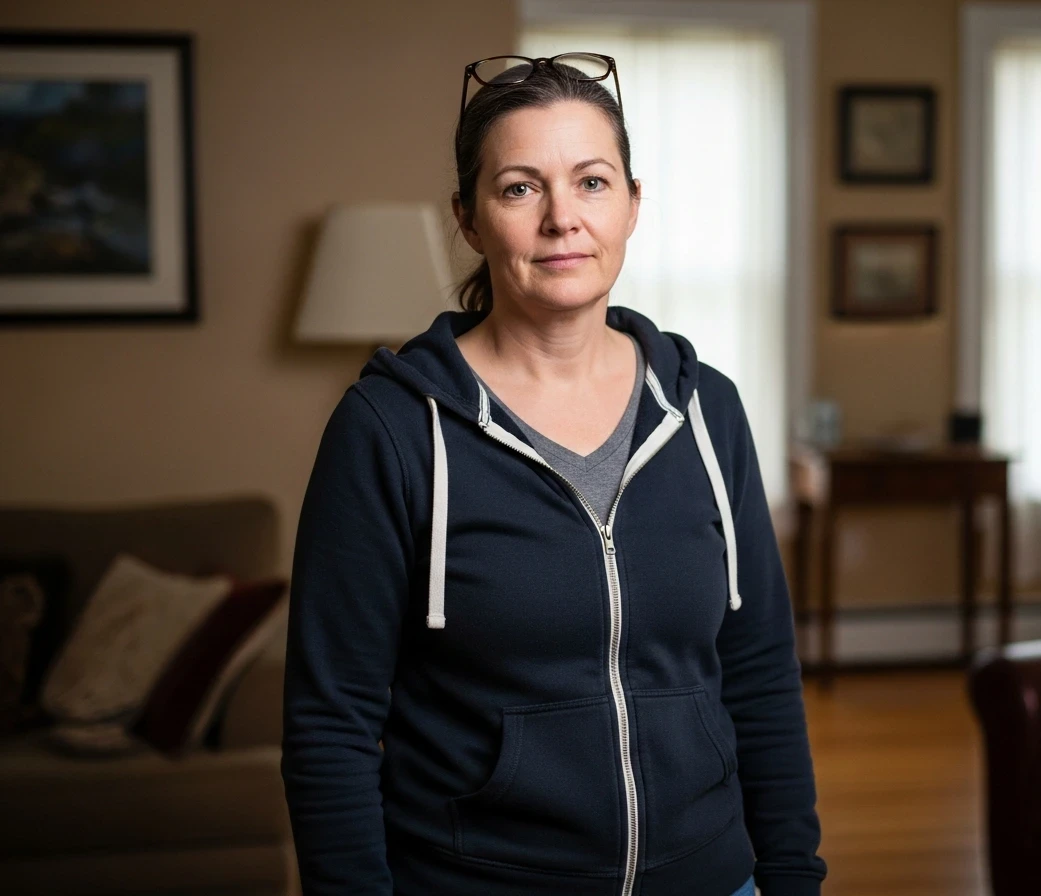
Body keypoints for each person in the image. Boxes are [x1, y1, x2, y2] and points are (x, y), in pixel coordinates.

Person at [280, 53, 826, 896]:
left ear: (634, 204)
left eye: (593, 182)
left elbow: (758, 672)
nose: (562, 219)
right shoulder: (389, 429)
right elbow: (331, 722)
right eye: (520, 188)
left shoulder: (708, 411)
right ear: (468, 218)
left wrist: (790, 880)